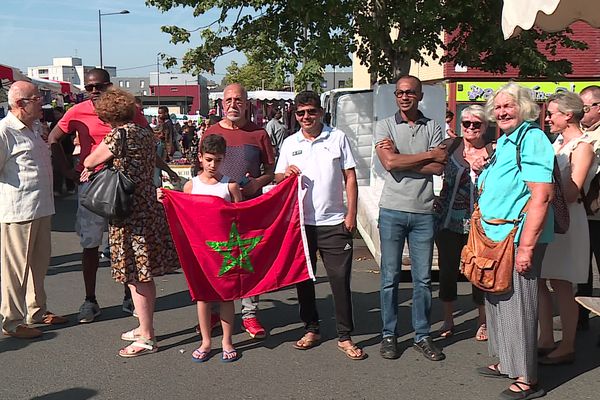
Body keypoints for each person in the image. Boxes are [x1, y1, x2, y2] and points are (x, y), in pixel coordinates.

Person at [48, 68, 179, 324]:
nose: (95, 91)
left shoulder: (129, 115)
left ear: (110, 86)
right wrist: (66, 171)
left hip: (123, 185)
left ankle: (128, 296)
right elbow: (53, 138)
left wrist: (167, 169)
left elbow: (147, 148)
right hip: (92, 184)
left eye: (100, 86)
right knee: (91, 243)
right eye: (89, 87)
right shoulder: (76, 111)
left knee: (124, 244)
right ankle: (90, 299)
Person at [80, 88, 179, 357]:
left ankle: (147, 336)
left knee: (137, 275)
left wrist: (91, 165)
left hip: (129, 211)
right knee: (140, 272)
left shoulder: (118, 135)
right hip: (147, 204)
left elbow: (90, 160)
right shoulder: (145, 133)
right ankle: (142, 326)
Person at [475, 83, 554, 400]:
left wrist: (527, 246)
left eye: (508, 106)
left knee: (518, 306)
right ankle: (508, 362)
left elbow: (541, 195)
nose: (502, 112)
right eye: (498, 107)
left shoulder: (531, 138)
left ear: (524, 108)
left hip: (518, 238)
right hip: (496, 236)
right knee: (498, 303)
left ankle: (527, 377)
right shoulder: (507, 139)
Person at [275, 90, 364, 360]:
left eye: (311, 111)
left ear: (320, 113)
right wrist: (285, 174)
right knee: (304, 279)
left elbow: (350, 177)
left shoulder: (337, 138)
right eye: (300, 113)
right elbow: (279, 176)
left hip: (335, 221)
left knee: (339, 280)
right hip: (300, 224)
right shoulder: (290, 143)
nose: (306, 117)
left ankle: (345, 335)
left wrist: (352, 215)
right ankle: (311, 328)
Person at [375, 75, 447, 361]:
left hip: (422, 212)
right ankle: (389, 335)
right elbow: (389, 163)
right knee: (389, 277)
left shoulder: (433, 126)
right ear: (396, 96)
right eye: (400, 93)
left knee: (423, 279)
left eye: (410, 93)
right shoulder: (385, 125)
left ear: (419, 95)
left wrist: (406, 158)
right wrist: (427, 155)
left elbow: (439, 167)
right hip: (392, 209)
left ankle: (422, 335)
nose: (405, 97)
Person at [158, 134, 242, 362]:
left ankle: (227, 340)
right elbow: (182, 216)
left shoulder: (230, 185)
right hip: (199, 252)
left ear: (224, 159)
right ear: (200, 158)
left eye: (218, 159)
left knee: (226, 297)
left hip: (225, 252)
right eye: (209, 159)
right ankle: (206, 341)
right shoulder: (191, 185)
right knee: (203, 298)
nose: (213, 165)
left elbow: (241, 219)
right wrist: (166, 199)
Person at [204, 83, 275, 339]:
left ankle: (250, 314)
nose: (233, 104)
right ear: (222, 104)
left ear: (247, 103)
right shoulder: (210, 132)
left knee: (249, 262)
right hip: (217, 213)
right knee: (216, 261)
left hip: (249, 209)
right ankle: (215, 311)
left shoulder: (259, 134)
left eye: (239, 100)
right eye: (229, 100)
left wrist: (257, 183)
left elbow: (269, 171)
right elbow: (199, 170)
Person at [0, 81, 67, 339]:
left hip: (41, 207)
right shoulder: (5, 131)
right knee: (15, 269)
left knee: (38, 265)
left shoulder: (34, 129)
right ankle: (12, 321)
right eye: (36, 99)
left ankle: (36, 312)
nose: (42, 103)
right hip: (18, 210)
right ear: (20, 104)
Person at [538, 92, 596, 365]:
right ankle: (546, 338)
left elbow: (573, 192)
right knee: (540, 278)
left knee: (561, 282)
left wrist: (545, 174)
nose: (548, 118)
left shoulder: (583, 146)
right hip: (550, 217)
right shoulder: (558, 143)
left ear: (568, 115)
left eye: (552, 113)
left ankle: (567, 345)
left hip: (568, 220)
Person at [433, 105, 490, 341]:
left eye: (476, 124)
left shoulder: (494, 150)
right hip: (448, 221)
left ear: (485, 126)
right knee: (447, 271)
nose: (470, 128)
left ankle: (483, 321)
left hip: (480, 224)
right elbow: (428, 165)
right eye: (466, 124)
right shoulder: (450, 146)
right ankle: (448, 319)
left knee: (479, 271)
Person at [576, 85, 600, 331]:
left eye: (584, 108)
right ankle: (580, 318)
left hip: (598, 214)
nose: (580, 113)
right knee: (581, 271)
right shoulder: (579, 134)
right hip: (581, 214)